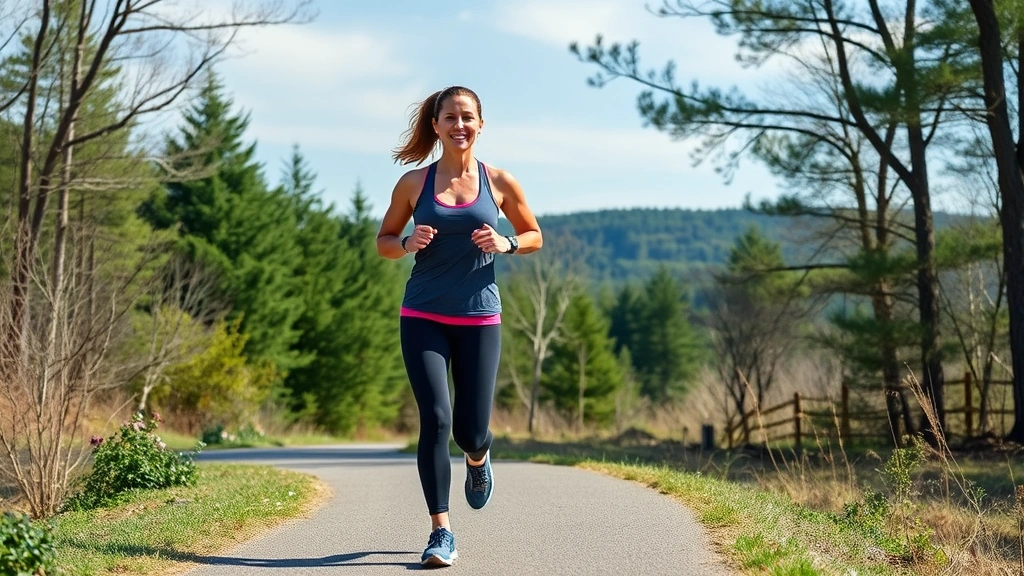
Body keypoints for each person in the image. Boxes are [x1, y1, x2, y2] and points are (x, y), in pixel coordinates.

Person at [376, 86, 542, 567]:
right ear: (437, 125)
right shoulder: (414, 184)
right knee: (437, 419)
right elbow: (384, 240)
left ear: (481, 124)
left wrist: (506, 244)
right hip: (422, 314)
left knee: (471, 430)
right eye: (450, 117)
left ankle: (477, 458)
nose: (459, 125)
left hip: (479, 317)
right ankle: (440, 532)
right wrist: (407, 243)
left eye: (467, 117)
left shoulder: (500, 182)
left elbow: (534, 235)